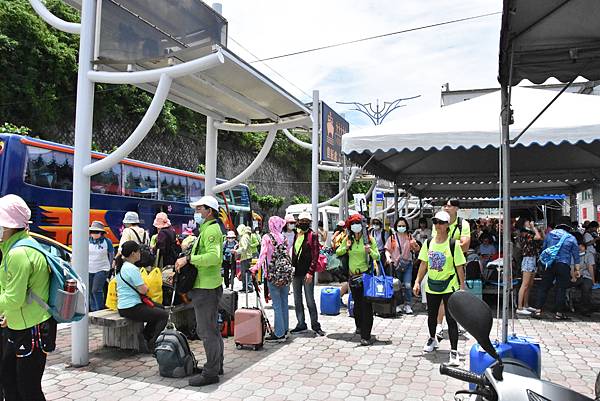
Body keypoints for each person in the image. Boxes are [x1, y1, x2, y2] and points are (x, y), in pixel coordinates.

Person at [0, 194, 55, 401]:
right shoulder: (16, 247)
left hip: (31, 329)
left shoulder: (18, 253)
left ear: (10, 225)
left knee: (28, 388)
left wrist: (7, 308)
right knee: (10, 381)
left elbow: (13, 298)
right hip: (20, 324)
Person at [175, 196, 224, 386]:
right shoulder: (208, 229)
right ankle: (216, 365)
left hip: (206, 287)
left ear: (209, 211)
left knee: (206, 331)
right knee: (212, 330)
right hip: (208, 285)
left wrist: (189, 259)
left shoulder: (211, 230)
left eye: (199, 209)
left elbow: (213, 257)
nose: (196, 213)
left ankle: (211, 373)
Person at [413, 211, 466, 366]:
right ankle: (432, 338)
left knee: (451, 319)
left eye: (441, 222)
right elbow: (423, 264)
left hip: (449, 286)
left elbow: (459, 267)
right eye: (435, 221)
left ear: (447, 225)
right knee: (431, 316)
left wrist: (462, 287)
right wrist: (417, 281)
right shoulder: (429, 243)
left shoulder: (453, 244)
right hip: (432, 286)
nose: (437, 225)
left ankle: (454, 351)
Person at [116, 240, 168, 353]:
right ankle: (151, 342)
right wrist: (146, 287)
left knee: (160, 308)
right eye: (139, 251)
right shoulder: (132, 269)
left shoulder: (122, 266)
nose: (140, 253)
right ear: (133, 253)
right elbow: (143, 290)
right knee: (164, 315)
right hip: (132, 307)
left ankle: (146, 336)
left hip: (124, 306)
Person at [336, 214, 379, 345]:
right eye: (353, 224)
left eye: (358, 223)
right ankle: (359, 326)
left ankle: (366, 336)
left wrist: (370, 251)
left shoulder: (369, 240)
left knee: (366, 306)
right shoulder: (348, 239)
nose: (356, 226)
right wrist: (346, 247)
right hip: (353, 277)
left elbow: (377, 256)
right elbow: (338, 252)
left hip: (366, 276)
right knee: (357, 304)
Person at [431, 199, 470, 338]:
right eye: (445, 205)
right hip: (440, 265)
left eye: (450, 205)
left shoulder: (463, 224)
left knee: (456, 297)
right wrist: (455, 243)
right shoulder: (436, 221)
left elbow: (466, 245)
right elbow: (434, 243)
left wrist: (448, 244)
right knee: (440, 297)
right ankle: (439, 326)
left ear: (457, 208)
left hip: (457, 264)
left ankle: (456, 323)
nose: (447, 207)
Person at [532, 220, 580, 320]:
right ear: (569, 228)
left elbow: (544, 249)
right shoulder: (571, 238)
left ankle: (537, 311)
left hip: (550, 264)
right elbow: (576, 256)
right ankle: (558, 313)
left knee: (544, 287)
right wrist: (577, 270)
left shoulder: (550, 235)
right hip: (563, 265)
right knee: (561, 289)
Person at [253, 216, 290, 342]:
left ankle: (279, 334)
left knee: (277, 304)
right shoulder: (284, 237)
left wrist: (255, 268)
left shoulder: (267, 237)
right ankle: (285, 330)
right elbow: (288, 255)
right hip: (285, 274)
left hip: (273, 275)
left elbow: (263, 254)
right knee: (284, 302)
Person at [290, 212, 325, 336]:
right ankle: (301, 324)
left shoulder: (312, 235)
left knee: (310, 300)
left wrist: (310, 272)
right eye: (301, 220)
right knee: (297, 300)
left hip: (307, 273)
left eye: (306, 221)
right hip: (296, 273)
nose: (303, 223)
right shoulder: (296, 234)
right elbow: (293, 252)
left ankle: (315, 325)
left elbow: (315, 255)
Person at [385, 217, 420, 315]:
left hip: (408, 264)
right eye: (399, 225)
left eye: (403, 226)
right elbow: (387, 250)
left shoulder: (409, 237)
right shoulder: (392, 238)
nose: (401, 227)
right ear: (396, 226)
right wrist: (388, 258)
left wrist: (415, 244)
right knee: (397, 285)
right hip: (396, 265)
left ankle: (408, 304)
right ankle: (397, 305)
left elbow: (417, 249)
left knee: (408, 284)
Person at [515, 222, 542, 316]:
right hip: (528, 259)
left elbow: (540, 238)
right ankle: (520, 307)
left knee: (530, 284)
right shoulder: (526, 235)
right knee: (525, 284)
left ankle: (526, 304)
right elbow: (538, 237)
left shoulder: (528, 235)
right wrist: (533, 227)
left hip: (533, 258)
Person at [88, 221, 114, 312]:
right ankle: (93, 310)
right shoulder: (87, 241)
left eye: (97, 232)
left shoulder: (107, 242)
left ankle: (99, 310)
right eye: (92, 232)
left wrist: (110, 266)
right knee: (90, 290)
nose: (94, 234)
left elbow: (111, 254)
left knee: (96, 290)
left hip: (102, 269)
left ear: (102, 233)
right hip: (89, 269)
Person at [236, 224, 254, 293]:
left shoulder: (244, 237)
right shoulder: (247, 236)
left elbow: (244, 248)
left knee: (246, 273)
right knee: (245, 273)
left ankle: (248, 287)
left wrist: (236, 251)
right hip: (247, 257)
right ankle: (245, 287)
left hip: (245, 257)